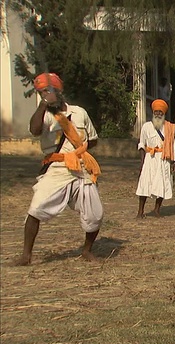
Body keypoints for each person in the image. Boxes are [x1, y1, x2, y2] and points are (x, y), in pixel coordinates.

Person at [14, 73, 103, 266]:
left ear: (58, 91)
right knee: (36, 208)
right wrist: (43, 104)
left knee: (95, 214)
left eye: (47, 91)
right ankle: (26, 256)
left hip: (81, 167)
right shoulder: (44, 115)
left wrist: (79, 150)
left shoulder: (79, 112)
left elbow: (93, 139)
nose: (44, 95)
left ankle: (87, 251)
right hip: (57, 167)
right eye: (41, 92)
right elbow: (35, 130)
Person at [136, 99, 175, 218]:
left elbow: (172, 145)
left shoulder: (168, 127)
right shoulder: (146, 126)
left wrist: (174, 161)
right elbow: (141, 145)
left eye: (160, 112)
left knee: (162, 184)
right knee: (145, 184)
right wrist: (142, 161)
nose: (158, 114)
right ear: (153, 112)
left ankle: (157, 210)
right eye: (156, 111)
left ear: (163, 113)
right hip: (149, 158)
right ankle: (140, 211)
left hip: (163, 159)